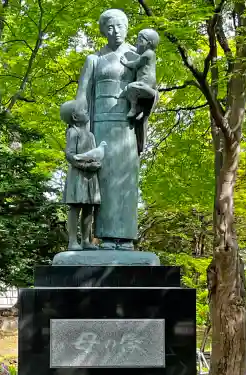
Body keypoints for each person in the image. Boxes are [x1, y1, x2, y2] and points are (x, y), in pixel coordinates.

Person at [76, 9, 157, 250]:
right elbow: (82, 97)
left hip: (127, 127)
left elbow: (150, 85)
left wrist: (145, 101)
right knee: (103, 183)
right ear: (103, 30)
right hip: (99, 127)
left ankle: (126, 238)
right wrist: (80, 132)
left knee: (126, 182)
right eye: (110, 27)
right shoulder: (95, 59)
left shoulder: (138, 54)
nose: (116, 31)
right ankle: (106, 237)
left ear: (127, 27)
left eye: (120, 25)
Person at [61, 100, 101, 250]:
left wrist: (95, 164)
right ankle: (72, 241)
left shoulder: (90, 135)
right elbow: (69, 154)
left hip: (90, 177)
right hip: (78, 175)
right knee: (75, 206)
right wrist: (84, 165)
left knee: (89, 207)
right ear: (75, 117)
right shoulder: (73, 132)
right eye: (83, 110)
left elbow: (95, 154)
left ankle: (86, 240)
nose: (87, 111)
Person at [120, 28, 159, 119]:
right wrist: (131, 48)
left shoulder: (148, 54)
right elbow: (139, 51)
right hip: (146, 82)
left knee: (129, 89)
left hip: (146, 82)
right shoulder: (149, 52)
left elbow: (136, 64)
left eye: (140, 40)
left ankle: (134, 108)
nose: (137, 43)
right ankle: (140, 110)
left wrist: (125, 62)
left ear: (149, 43)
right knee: (136, 93)